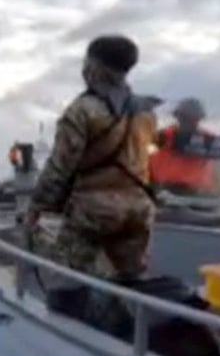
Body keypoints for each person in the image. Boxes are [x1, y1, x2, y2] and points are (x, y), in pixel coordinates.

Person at [25, 34, 158, 281]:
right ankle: (129, 319)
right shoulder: (146, 111)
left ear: (94, 66)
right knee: (132, 280)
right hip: (139, 210)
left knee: (72, 279)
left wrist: (37, 208)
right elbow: (143, 161)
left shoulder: (82, 110)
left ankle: (74, 318)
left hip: (93, 211)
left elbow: (59, 169)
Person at [148, 97, 216, 195]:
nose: (188, 122)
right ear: (178, 117)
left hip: (197, 195)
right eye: (185, 118)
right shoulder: (164, 135)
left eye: (192, 119)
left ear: (199, 119)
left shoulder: (209, 140)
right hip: (162, 191)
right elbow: (145, 151)